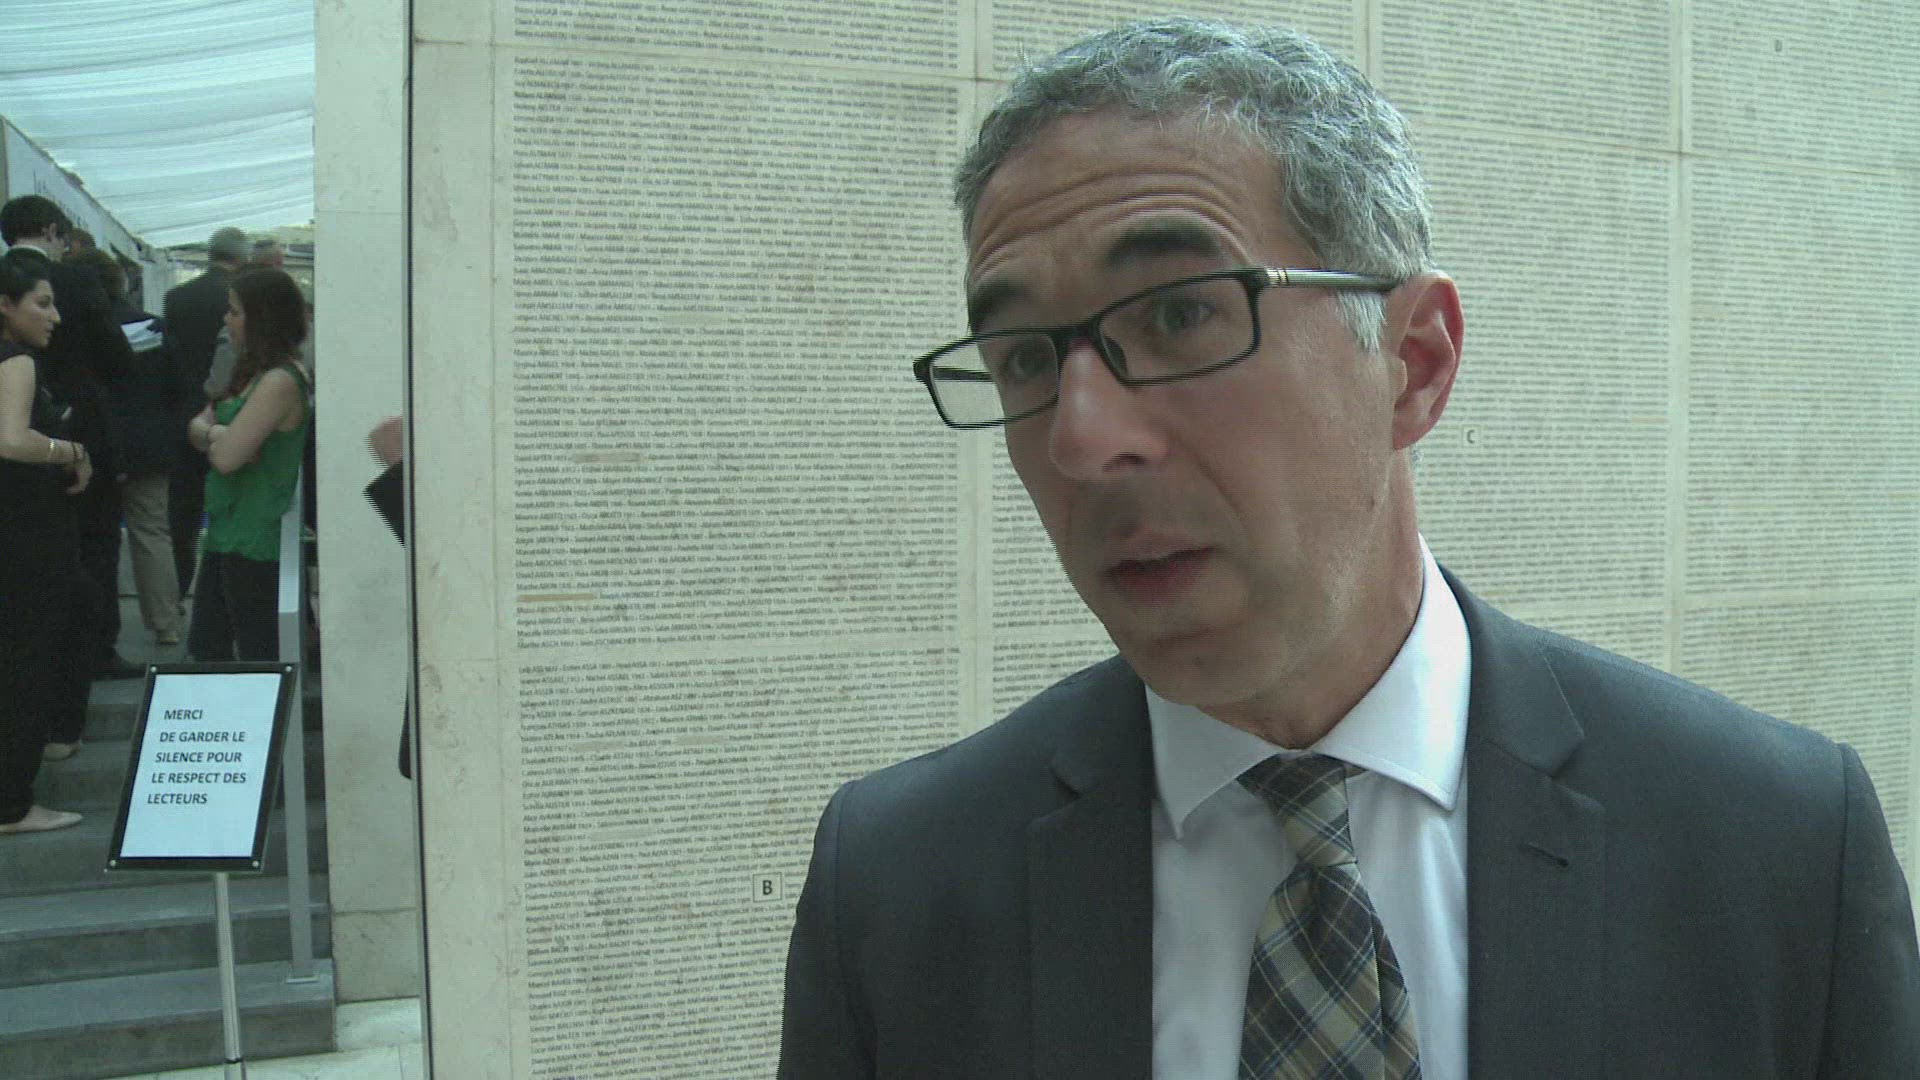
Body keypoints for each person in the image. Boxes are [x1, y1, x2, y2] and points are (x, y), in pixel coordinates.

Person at [778, 19, 1920, 1079]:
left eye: (1178, 313)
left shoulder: (1776, 846)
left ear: (1413, 363)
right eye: (1027, 358)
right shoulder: (895, 889)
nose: (1082, 439)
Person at [0, 251, 93, 832]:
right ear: (5, 306)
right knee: (26, 666)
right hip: (28, 539)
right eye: (43, 303)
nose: (54, 316)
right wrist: (71, 450)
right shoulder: (16, 360)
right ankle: (13, 802)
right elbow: (10, 439)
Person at [184, 267, 312, 662]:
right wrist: (220, 433)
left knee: (254, 651)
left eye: (235, 311)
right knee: (207, 646)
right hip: (228, 528)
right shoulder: (251, 372)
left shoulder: (280, 380)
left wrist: (215, 435)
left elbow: (226, 458)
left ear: (262, 318)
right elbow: (200, 427)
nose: (227, 320)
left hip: (256, 537)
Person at [69, 247, 184, 647]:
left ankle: (96, 628)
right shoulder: (153, 327)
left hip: (95, 443)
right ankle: (166, 622)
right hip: (149, 444)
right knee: (152, 531)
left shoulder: (76, 333)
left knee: (97, 537)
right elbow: (176, 386)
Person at [164, 226, 250, 599]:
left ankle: (179, 587)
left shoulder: (176, 298)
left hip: (183, 410)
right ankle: (221, 588)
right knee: (229, 507)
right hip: (231, 412)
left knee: (182, 511)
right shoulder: (242, 300)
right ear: (242, 258)